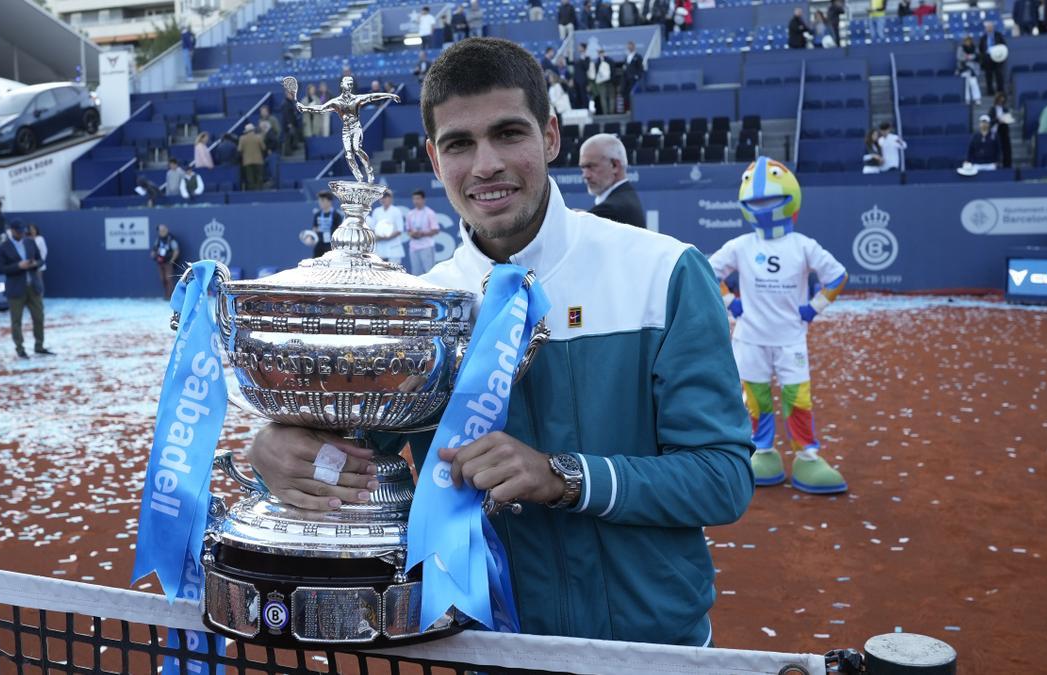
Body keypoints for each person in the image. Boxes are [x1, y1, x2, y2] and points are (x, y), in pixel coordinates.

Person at [244, 37, 754, 647]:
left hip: (650, 653)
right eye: (460, 144)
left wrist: (564, 476)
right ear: (435, 160)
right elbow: (350, 451)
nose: (485, 164)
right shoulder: (418, 311)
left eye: (509, 133)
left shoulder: (664, 273)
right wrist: (277, 450)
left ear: (552, 137)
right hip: (484, 646)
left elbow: (722, 476)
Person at [710, 157, 848, 494]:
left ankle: (807, 456)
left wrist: (813, 309)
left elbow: (837, 275)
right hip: (750, 340)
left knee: (797, 398)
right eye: (755, 200)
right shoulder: (741, 246)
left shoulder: (803, 246)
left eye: (769, 197)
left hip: (790, 340)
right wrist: (731, 302)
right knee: (755, 399)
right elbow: (708, 271)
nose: (762, 204)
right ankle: (763, 452)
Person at [294, 76, 400, 184]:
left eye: (351, 84)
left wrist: (390, 95)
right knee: (349, 155)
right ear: (342, 85)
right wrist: (305, 108)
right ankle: (359, 177)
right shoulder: (336, 102)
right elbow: (321, 108)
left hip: (356, 127)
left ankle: (369, 172)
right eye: (347, 83)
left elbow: (373, 96)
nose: (349, 86)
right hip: (346, 130)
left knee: (357, 149)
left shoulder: (357, 99)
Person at [0, 220, 49, 359]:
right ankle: (20, 348)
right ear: (12, 231)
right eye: (18, 231)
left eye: (22, 231)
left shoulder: (30, 243)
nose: (21, 234)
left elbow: (41, 260)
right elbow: (0, 269)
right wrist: (19, 266)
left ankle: (39, 345)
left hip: (33, 287)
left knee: (39, 317)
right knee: (16, 321)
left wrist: (35, 263)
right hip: (16, 289)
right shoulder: (3, 247)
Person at [580, 134, 646, 228]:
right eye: (583, 168)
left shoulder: (609, 210)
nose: (585, 175)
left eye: (591, 166)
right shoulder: (625, 198)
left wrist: (578, 220)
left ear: (615, 165)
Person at [405, 189, 439, 274]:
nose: (416, 201)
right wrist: (412, 234)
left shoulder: (430, 213)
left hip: (426, 246)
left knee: (430, 271)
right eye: (414, 199)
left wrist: (422, 233)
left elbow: (435, 230)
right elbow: (408, 230)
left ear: (423, 199)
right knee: (416, 273)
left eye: (418, 199)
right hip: (413, 247)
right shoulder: (410, 214)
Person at [370, 189, 406, 267]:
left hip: (393, 249)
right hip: (380, 248)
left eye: (386, 197)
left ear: (391, 199)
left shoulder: (396, 211)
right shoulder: (376, 211)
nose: (384, 199)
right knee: (380, 272)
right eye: (382, 197)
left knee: (395, 273)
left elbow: (399, 230)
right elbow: (373, 228)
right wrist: (377, 237)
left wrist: (388, 237)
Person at [310, 191, 344, 258]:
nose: (320, 203)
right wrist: (311, 237)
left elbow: (339, 231)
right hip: (319, 243)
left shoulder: (336, 215)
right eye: (319, 200)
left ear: (329, 201)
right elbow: (314, 228)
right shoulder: (317, 214)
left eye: (322, 200)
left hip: (331, 245)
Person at [151, 224, 180, 300]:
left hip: (168, 262)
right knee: (162, 279)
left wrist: (172, 260)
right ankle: (167, 294)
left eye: (163, 230)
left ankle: (170, 296)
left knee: (168, 279)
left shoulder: (171, 239)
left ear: (166, 230)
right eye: (160, 231)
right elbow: (154, 249)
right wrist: (154, 254)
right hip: (160, 262)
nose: (161, 232)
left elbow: (176, 251)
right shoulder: (158, 239)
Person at [978, 21, 1007, 97]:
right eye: (987, 27)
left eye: (990, 27)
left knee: (999, 74)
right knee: (988, 75)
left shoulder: (998, 35)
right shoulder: (983, 38)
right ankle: (990, 91)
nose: (989, 28)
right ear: (986, 28)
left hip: (998, 57)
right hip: (987, 58)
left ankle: (1000, 90)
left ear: (993, 27)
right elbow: (981, 48)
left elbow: (1003, 45)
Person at [238, 123, 266, 191]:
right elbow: (264, 148)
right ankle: (260, 190)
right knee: (259, 177)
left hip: (247, 161)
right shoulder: (258, 137)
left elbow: (239, 149)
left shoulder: (242, 138)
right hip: (258, 160)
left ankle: (251, 192)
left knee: (250, 178)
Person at [956, 35, 983, 105]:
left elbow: (977, 56)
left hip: (973, 69)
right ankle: (966, 99)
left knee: (974, 83)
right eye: (966, 41)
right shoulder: (960, 48)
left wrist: (969, 57)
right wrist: (969, 57)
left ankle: (977, 99)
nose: (967, 42)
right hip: (964, 68)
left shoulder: (975, 48)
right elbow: (959, 57)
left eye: (969, 40)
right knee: (966, 84)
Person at [992, 91, 1013, 168]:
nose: (1001, 101)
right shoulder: (992, 109)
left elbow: (1009, 119)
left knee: (1006, 149)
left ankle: (1007, 165)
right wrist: (998, 120)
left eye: (1003, 99)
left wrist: (1006, 119)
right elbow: (990, 120)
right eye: (1000, 99)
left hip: (1004, 130)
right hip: (995, 131)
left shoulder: (1005, 109)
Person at [622, 41, 644, 112]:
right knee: (627, 95)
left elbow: (640, 68)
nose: (629, 47)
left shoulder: (638, 56)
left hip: (634, 79)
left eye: (631, 46)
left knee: (634, 94)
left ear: (634, 47)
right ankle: (629, 109)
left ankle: (636, 109)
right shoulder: (627, 57)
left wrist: (637, 76)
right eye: (628, 46)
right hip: (627, 80)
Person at [592, 48, 614, 115]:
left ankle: (611, 112)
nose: (601, 54)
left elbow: (613, 70)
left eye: (601, 52)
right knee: (603, 98)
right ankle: (605, 113)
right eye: (599, 53)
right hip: (601, 83)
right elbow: (596, 72)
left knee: (611, 97)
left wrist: (612, 79)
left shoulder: (609, 60)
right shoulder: (597, 62)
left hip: (610, 82)